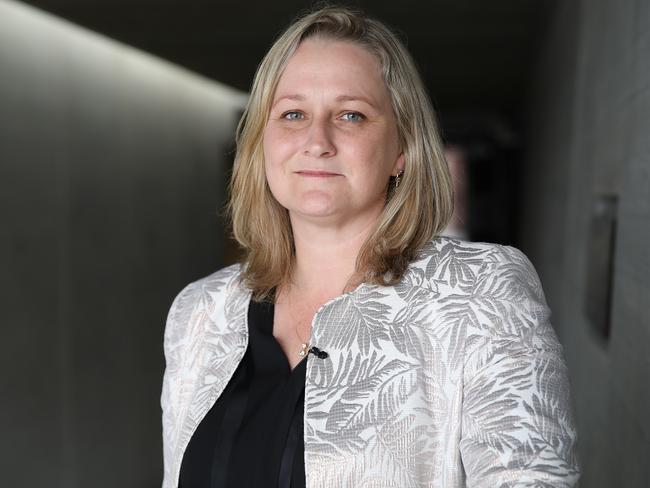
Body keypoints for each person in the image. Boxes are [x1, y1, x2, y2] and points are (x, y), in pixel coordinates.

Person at [161, 5, 580, 488]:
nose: (317, 141)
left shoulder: (481, 290)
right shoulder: (199, 312)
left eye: (351, 115)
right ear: (261, 143)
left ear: (401, 151)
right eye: (293, 114)